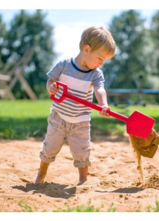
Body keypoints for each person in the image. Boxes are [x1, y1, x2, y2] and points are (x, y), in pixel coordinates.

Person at [32, 26, 116, 185]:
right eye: (100, 58)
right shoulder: (63, 65)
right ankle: (41, 174)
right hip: (58, 118)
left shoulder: (95, 74)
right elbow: (50, 81)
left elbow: (100, 89)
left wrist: (103, 104)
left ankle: (83, 179)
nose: (101, 63)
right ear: (87, 49)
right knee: (49, 147)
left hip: (81, 122)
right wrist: (51, 87)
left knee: (82, 151)